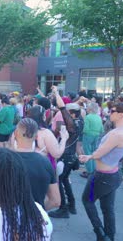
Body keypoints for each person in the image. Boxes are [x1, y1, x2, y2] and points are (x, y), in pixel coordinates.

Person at [79, 102, 123, 241]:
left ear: (121, 115)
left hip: (103, 176)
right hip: (111, 175)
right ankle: (109, 236)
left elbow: (99, 153)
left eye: (112, 110)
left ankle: (101, 234)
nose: (109, 112)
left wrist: (89, 156)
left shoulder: (118, 133)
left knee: (87, 200)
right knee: (107, 208)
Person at [9, 118, 60, 210]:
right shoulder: (45, 163)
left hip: (9, 217)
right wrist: (37, 210)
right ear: (36, 136)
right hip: (35, 220)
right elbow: (56, 201)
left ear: (16, 134)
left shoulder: (4, 160)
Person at [48, 86, 83, 219]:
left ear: (73, 113)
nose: (65, 115)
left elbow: (62, 108)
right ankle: (72, 205)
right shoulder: (80, 120)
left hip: (66, 156)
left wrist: (56, 92)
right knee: (65, 181)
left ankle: (63, 209)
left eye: (68, 113)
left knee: (60, 181)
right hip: (71, 156)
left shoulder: (72, 125)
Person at [81, 102, 104, 178]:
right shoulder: (98, 117)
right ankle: (94, 169)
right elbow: (102, 129)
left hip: (88, 135)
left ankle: (89, 171)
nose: (86, 108)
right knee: (94, 153)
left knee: (87, 152)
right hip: (96, 135)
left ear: (90, 109)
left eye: (87, 107)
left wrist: (82, 132)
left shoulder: (88, 117)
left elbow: (85, 128)